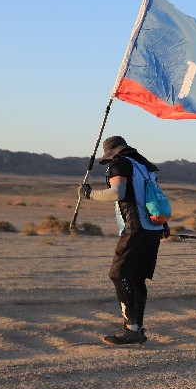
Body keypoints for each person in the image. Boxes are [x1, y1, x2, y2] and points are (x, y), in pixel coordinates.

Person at [78, 136, 168, 346]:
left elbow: (117, 193)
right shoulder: (144, 166)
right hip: (153, 228)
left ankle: (131, 329)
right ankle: (137, 329)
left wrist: (88, 193)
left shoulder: (120, 163)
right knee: (136, 278)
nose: (108, 160)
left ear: (113, 150)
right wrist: (163, 225)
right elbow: (152, 196)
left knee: (119, 275)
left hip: (135, 228)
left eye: (108, 155)